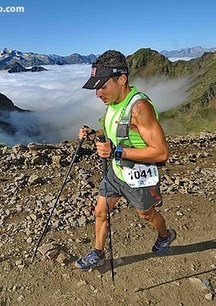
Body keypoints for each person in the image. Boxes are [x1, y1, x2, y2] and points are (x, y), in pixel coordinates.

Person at [75, 50, 176, 270]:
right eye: (96, 87)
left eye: (102, 86)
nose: (97, 93)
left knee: (146, 215)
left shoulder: (139, 108)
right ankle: (98, 253)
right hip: (116, 171)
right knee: (100, 211)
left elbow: (161, 152)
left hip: (139, 176)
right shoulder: (113, 103)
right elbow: (114, 134)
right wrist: (93, 134)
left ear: (122, 79)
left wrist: (116, 152)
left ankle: (165, 235)